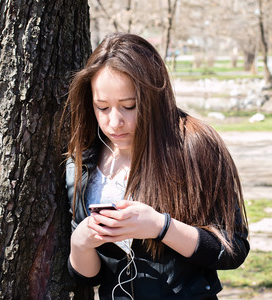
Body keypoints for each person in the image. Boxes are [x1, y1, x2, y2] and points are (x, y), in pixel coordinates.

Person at [63, 33, 249, 300]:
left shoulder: (194, 146)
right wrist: (80, 242)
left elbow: (232, 249)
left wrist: (160, 227)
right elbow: (90, 276)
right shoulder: (82, 160)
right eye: (102, 107)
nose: (115, 122)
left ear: (154, 98)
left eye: (130, 106)